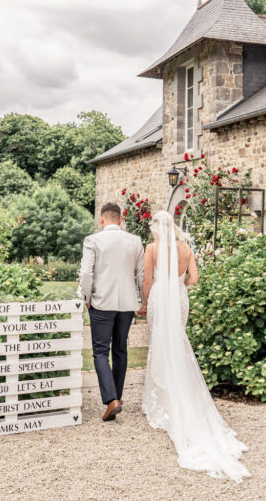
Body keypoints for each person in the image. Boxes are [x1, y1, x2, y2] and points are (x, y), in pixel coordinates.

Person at [139, 210, 250, 482]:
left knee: (160, 344)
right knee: (177, 340)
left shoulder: (152, 248)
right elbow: (194, 279)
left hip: (159, 299)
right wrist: (179, 283)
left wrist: (143, 303)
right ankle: (179, 388)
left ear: (157, 228)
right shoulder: (186, 248)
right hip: (178, 297)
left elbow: (148, 280)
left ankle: (161, 397)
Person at [78, 201, 144, 421]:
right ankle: (117, 397)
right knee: (120, 349)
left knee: (100, 352)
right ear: (121, 219)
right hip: (127, 304)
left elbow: (86, 274)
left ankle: (111, 400)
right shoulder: (135, 241)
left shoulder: (93, 240)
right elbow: (142, 275)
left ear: (102, 219)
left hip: (101, 303)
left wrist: (87, 297)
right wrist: (141, 300)